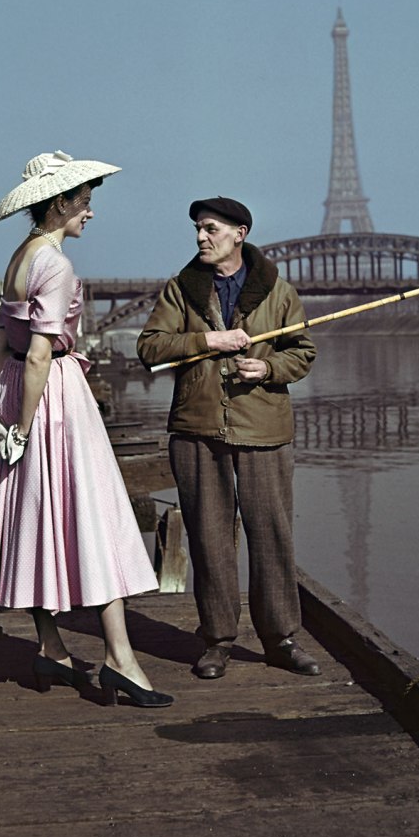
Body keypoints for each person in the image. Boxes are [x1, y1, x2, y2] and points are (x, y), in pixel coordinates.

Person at [0, 151, 173, 708]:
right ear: (60, 203)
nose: (90, 212)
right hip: (52, 396)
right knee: (94, 520)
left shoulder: (20, 255)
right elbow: (40, 354)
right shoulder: (56, 265)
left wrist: (2, 410)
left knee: (31, 516)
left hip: (16, 390)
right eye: (85, 201)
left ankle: (52, 648)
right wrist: (27, 426)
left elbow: (1, 342)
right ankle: (120, 661)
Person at [136, 196, 319, 679]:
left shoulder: (278, 291)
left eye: (211, 228)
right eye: (198, 229)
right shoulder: (181, 290)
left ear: (240, 233)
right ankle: (217, 640)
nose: (201, 237)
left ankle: (281, 639)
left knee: (272, 536)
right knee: (210, 537)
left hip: (266, 431)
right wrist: (207, 341)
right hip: (197, 430)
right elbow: (150, 347)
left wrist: (269, 366)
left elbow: (302, 351)